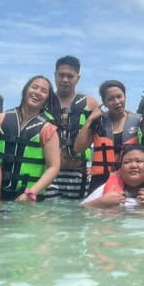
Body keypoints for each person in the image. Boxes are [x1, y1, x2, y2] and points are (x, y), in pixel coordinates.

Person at [0, 75, 61, 202]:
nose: (37, 92)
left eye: (43, 91)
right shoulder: (0, 118)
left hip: (28, 198)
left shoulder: (48, 129)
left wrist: (31, 193)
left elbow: (54, 167)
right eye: (34, 87)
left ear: (47, 98)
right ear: (26, 90)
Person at [45, 56, 99, 199]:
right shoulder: (44, 102)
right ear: (55, 75)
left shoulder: (89, 103)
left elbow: (102, 133)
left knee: (75, 217)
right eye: (61, 75)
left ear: (78, 78)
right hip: (46, 172)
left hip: (78, 172)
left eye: (70, 76)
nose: (65, 80)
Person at [76, 79, 142, 195]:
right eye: (110, 99)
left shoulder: (139, 121)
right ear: (104, 103)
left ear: (125, 97)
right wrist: (90, 120)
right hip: (100, 182)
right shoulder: (98, 122)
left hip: (130, 181)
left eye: (119, 96)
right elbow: (78, 149)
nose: (116, 102)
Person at [81, 144, 144, 208]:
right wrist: (101, 202)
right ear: (121, 168)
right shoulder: (105, 191)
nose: (133, 166)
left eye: (139, 161)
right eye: (127, 162)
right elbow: (80, 211)